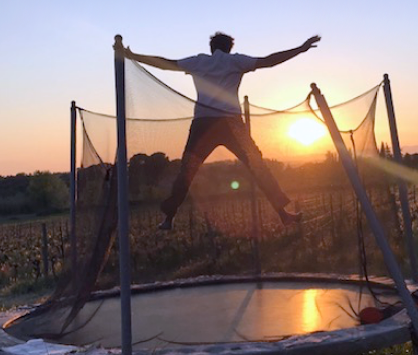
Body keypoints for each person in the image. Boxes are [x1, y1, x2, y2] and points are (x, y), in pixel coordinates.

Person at [114, 32, 321, 229]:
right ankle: (283, 213)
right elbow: (269, 60)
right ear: (229, 49)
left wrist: (134, 56)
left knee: (187, 170)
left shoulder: (199, 61)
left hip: (203, 123)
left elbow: (166, 64)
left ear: (212, 48)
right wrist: (301, 49)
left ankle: (168, 218)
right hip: (231, 123)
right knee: (257, 165)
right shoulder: (235, 61)